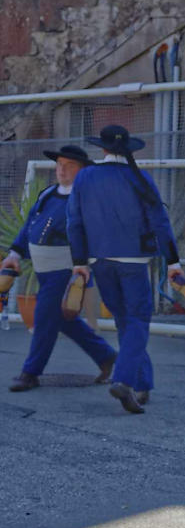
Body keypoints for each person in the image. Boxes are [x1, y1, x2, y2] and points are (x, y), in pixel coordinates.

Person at [66, 123, 184, 414]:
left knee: (124, 322)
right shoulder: (140, 178)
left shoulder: (85, 177)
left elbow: (74, 222)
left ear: (103, 148)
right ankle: (124, 379)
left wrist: (79, 263)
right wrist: (173, 262)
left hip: (99, 260)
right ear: (128, 148)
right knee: (138, 320)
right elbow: (160, 223)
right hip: (134, 261)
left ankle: (142, 385)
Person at [4, 145, 117, 394]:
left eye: (70, 166)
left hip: (66, 271)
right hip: (43, 270)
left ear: (83, 170)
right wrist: (14, 253)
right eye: (59, 165)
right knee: (64, 319)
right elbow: (29, 225)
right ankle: (107, 356)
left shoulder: (87, 199)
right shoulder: (47, 194)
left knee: (44, 317)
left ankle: (30, 373)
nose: (62, 170)